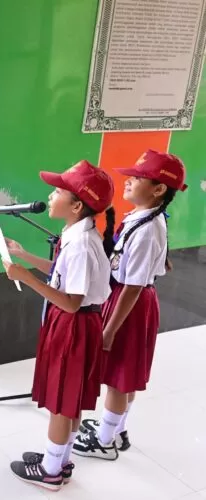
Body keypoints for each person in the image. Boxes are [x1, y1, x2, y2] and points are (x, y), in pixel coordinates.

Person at [0, 160, 114, 491]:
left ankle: (50, 472)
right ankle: (59, 460)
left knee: (62, 402)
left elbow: (70, 301)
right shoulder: (81, 233)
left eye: (58, 191)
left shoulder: (80, 244)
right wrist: (25, 256)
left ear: (77, 205)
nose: (50, 196)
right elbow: (63, 273)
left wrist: (26, 277)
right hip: (79, 323)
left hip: (73, 325)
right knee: (70, 398)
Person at [73, 151, 188, 459]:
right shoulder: (146, 217)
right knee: (125, 373)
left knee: (118, 378)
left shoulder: (149, 228)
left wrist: (109, 331)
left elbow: (134, 286)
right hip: (127, 297)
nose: (128, 182)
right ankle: (117, 427)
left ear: (158, 189)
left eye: (136, 179)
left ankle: (105, 441)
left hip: (129, 305)